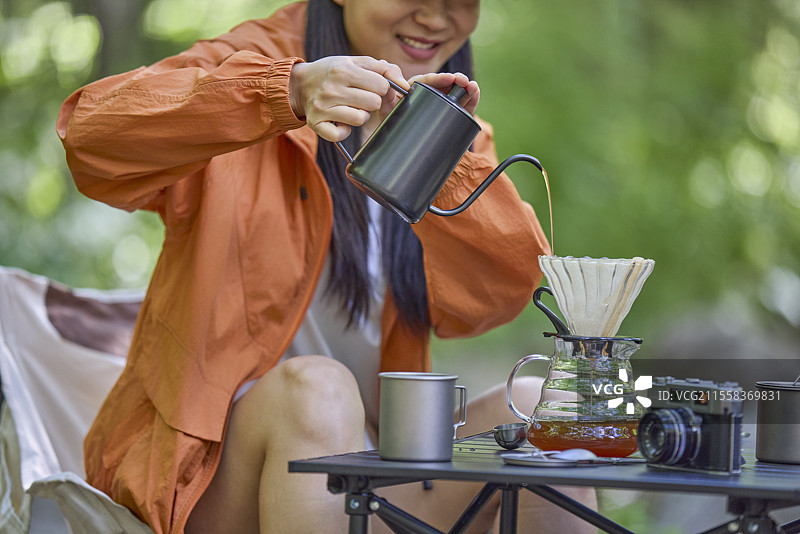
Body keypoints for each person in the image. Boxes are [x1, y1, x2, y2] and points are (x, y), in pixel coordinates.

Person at [57, 1, 596, 533]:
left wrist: (439, 157)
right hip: (207, 479)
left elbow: (501, 293)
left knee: (542, 406)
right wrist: (285, 93)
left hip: (365, 474)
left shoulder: (450, 119)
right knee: (318, 387)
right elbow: (88, 136)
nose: (437, 17)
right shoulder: (256, 60)